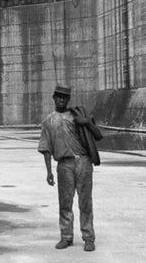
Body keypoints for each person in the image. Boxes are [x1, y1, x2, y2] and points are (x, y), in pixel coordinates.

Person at [38, 84, 103, 252]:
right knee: (65, 203)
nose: (61, 99)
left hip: (82, 161)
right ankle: (66, 237)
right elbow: (46, 148)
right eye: (58, 96)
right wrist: (49, 172)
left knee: (85, 202)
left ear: (68, 99)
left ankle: (88, 237)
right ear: (53, 98)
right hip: (64, 164)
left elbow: (98, 135)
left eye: (64, 97)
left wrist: (87, 122)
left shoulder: (77, 115)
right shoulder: (48, 121)